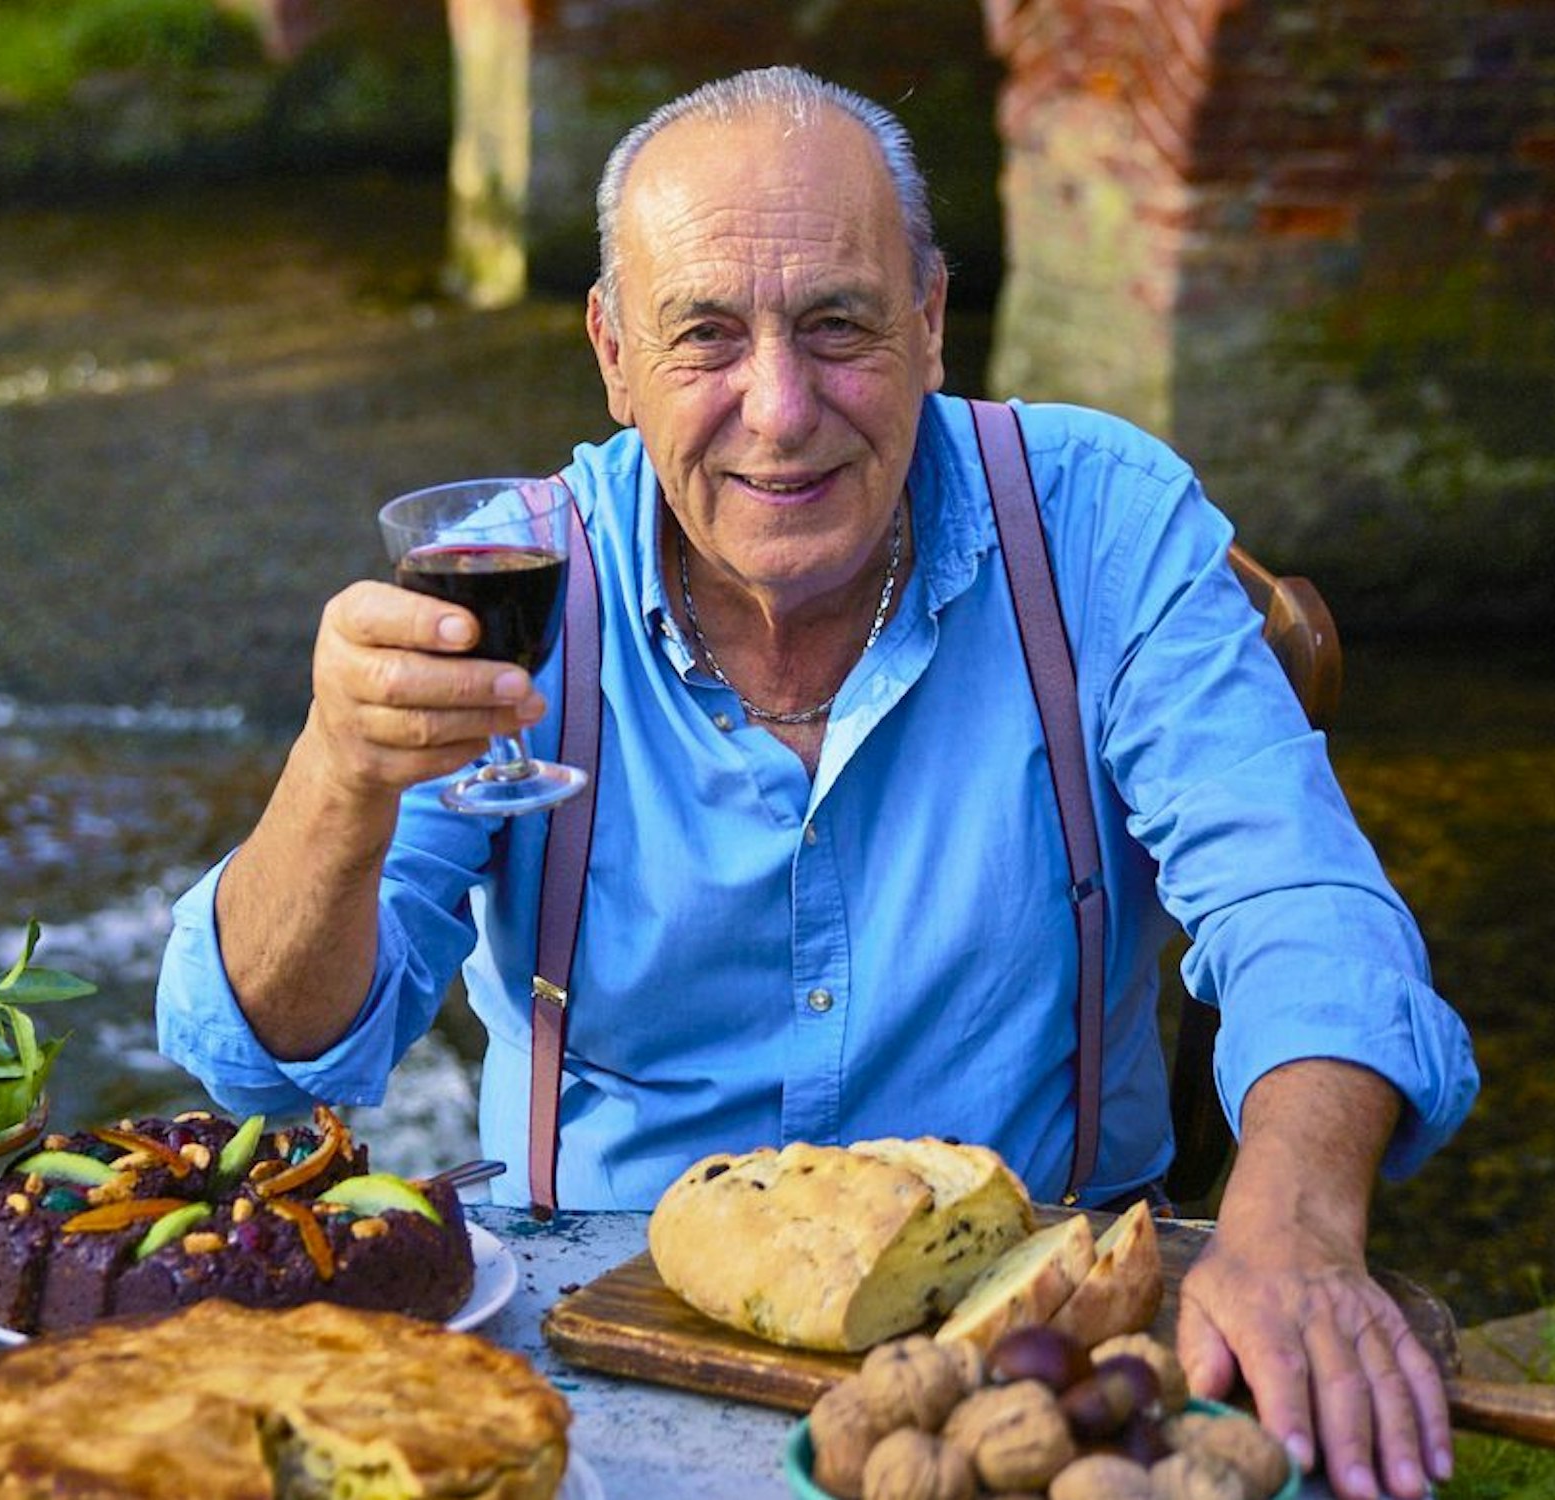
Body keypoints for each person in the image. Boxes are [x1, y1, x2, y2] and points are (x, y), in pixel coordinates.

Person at [157, 65, 1477, 1500]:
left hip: (1022, 1364)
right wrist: (339, 780)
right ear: (611, 352)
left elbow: (1302, 905)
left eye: (838, 325)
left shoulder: (1101, 520)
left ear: (929, 322)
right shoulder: (510, 591)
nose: (778, 411)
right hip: (593, 1365)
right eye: (705, 337)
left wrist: (1292, 1227)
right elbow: (265, 1066)